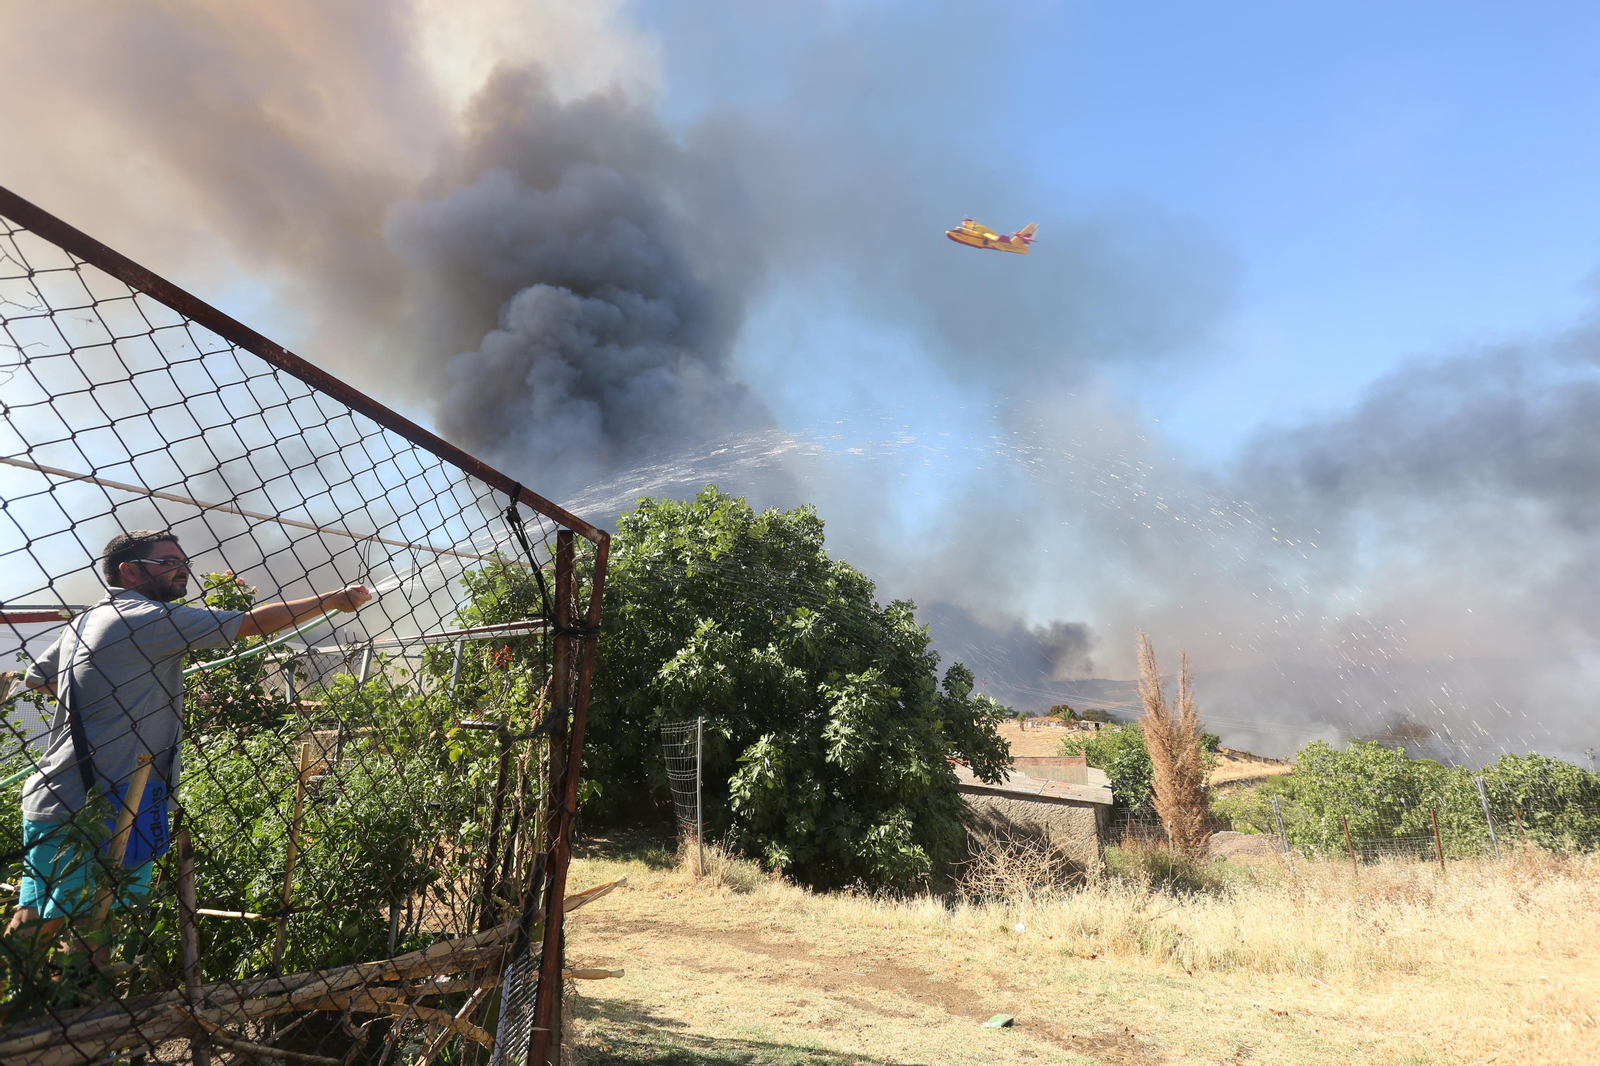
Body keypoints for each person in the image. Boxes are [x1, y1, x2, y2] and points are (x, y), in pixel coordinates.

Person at [4, 529, 371, 938]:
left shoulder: (86, 620)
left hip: (76, 793)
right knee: (68, 921)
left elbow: (38, 679)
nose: (183, 572)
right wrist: (332, 599)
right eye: (169, 563)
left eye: (185, 563)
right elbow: (251, 622)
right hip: (96, 798)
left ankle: (47, 993)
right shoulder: (143, 618)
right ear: (129, 570)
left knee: (51, 916)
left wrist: (107, 692)